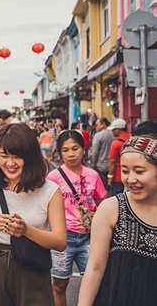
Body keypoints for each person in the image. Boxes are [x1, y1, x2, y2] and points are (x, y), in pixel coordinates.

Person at [0, 123, 67, 306]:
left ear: (30, 157)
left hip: (33, 268)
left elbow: (60, 242)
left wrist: (26, 230)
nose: (10, 163)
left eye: (17, 157)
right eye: (4, 156)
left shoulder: (50, 190)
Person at [78, 134, 157, 305]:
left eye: (140, 171)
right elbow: (95, 268)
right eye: (125, 171)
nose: (131, 179)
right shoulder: (111, 209)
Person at [46, 130, 107, 306]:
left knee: (96, 283)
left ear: (83, 149)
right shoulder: (53, 177)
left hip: (89, 239)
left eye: (75, 148)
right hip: (62, 239)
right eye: (65, 150)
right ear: (59, 152)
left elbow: (101, 202)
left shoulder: (93, 175)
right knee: (59, 286)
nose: (71, 154)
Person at [107, 118, 131, 197]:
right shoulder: (133, 139)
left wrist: (110, 177)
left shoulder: (116, 143)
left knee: (116, 199)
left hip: (118, 176)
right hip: (132, 174)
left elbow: (112, 161)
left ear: (118, 130)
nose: (112, 131)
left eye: (113, 129)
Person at [91, 117, 115, 189]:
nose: (96, 127)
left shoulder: (98, 135)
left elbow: (95, 152)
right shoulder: (113, 134)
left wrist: (93, 164)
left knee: (102, 188)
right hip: (113, 166)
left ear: (103, 124)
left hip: (101, 166)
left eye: (97, 125)